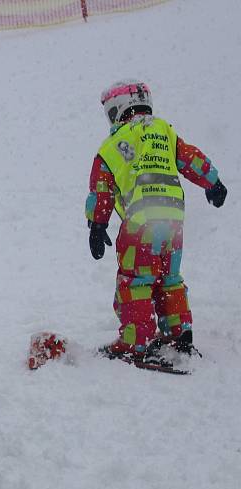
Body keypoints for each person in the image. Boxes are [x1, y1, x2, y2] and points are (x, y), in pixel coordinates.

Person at [86, 80, 227, 360]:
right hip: (173, 218)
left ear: (117, 109)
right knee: (168, 277)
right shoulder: (164, 131)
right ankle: (178, 332)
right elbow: (190, 158)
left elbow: (101, 189)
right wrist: (213, 182)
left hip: (140, 221)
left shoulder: (113, 144)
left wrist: (97, 224)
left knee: (136, 280)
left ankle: (136, 342)